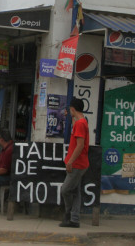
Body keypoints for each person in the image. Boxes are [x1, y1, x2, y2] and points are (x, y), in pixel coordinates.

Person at [59, 97, 90, 228]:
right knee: (75, 191)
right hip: (79, 163)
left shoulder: (80, 124)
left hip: (77, 163)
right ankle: (74, 218)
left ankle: (68, 214)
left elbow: (80, 145)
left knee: (65, 190)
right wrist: (71, 118)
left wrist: (70, 161)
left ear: (73, 109)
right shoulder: (81, 122)